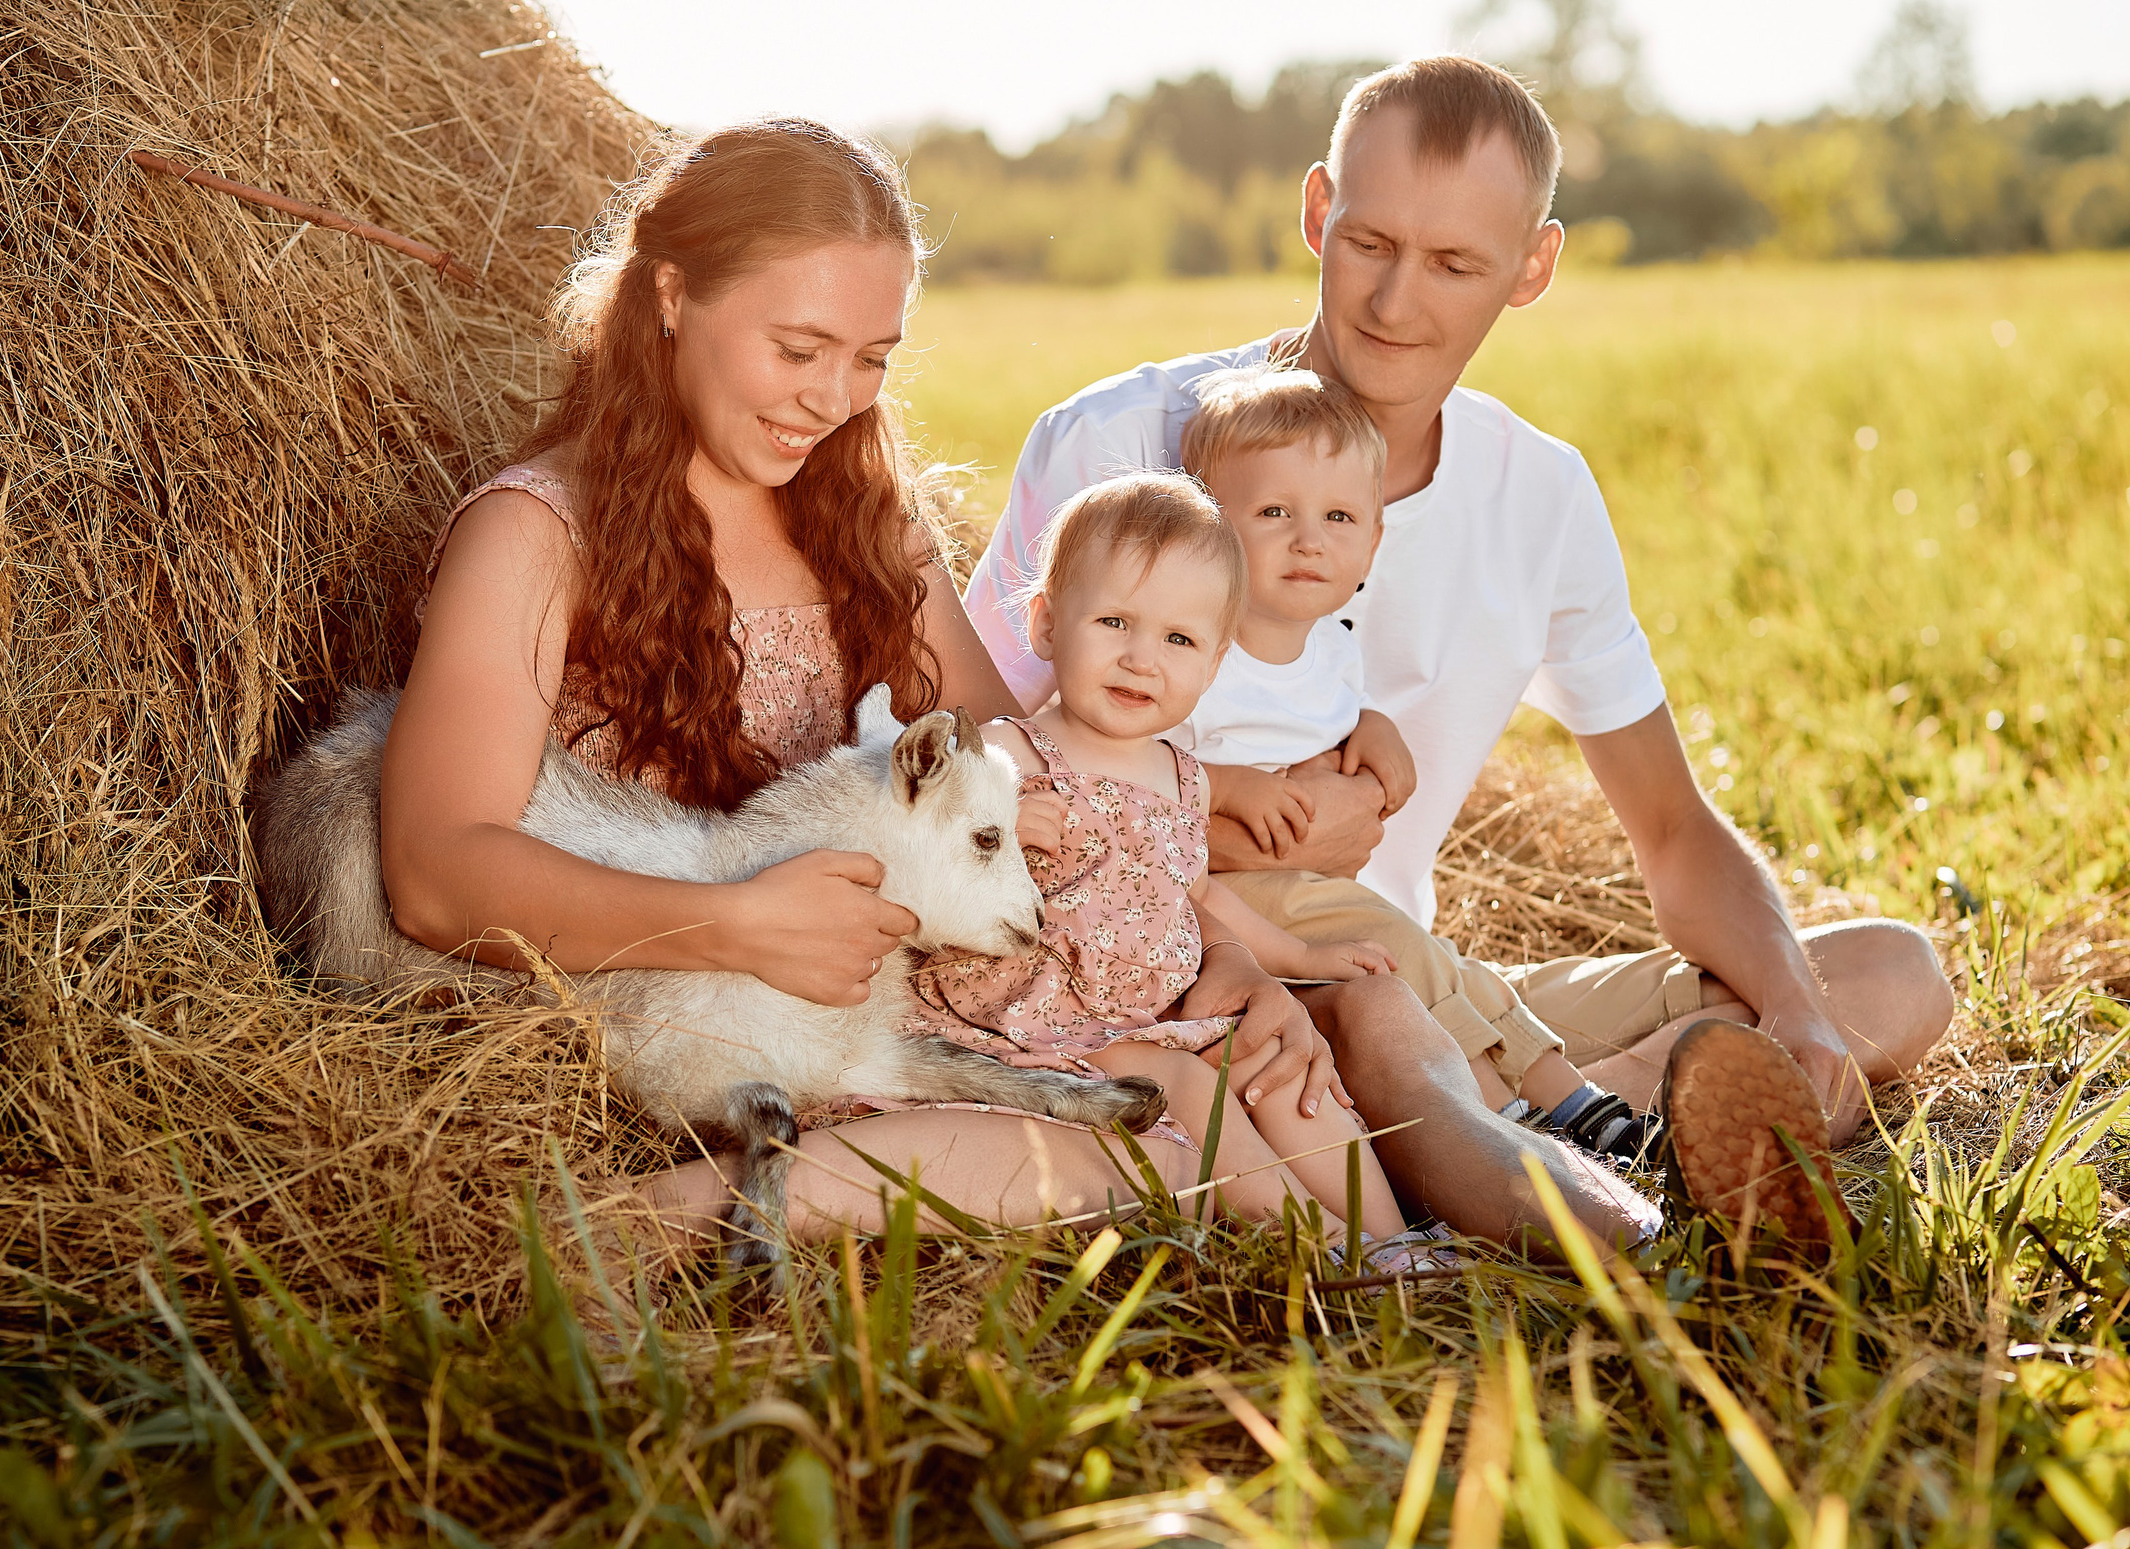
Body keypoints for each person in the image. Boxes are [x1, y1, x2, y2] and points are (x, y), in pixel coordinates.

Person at [374, 117, 1659, 1260]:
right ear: (667, 297)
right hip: (687, 1003)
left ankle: (1493, 1188)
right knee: (1183, 1154)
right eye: (797, 346)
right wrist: (743, 926)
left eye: (871, 358)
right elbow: (435, 867)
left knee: (1224, 1097)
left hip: (914, 988)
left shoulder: (860, 521)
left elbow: (1033, 788)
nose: (831, 400)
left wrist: (1212, 958)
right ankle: (697, 1207)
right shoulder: (538, 534)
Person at [960, 56, 1954, 1166]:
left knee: (1886, 974)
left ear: (1532, 266)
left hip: (1397, 969)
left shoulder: (1539, 494)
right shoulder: (1116, 443)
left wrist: (1802, 1018)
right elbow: (957, 763)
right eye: (1371, 244)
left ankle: (1585, 1116)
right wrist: (1215, 826)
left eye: (1452, 263)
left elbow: (1672, 833)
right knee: (1380, 1035)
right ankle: (1585, 1133)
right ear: (1316, 210)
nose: (1395, 302)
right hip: (1176, 982)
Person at [909, 472, 1410, 1248]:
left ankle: (1399, 1241)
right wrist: (992, 821)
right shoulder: (1008, 752)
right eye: (1115, 622)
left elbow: (1200, 899)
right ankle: (1330, 1244)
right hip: (1037, 1030)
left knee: (1280, 1076)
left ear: (1212, 665)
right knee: (1191, 1085)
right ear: (1046, 626)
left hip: (1154, 1014)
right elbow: (917, 843)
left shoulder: (1182, 778)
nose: (1143, 660)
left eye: (1178, 640)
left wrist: (1303, 955)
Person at [1172, 364, 1657, 1157]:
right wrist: (1224, 785)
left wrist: (1368, 721)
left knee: (1443, 964)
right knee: (1402, 951)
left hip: (1311, 890)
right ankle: (1528, 1120)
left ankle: (1569, 1103)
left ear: (1372, 539)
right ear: (1206, 525)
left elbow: (1311, 711)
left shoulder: (1329, 646)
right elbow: (1124, 771)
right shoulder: (1194, 647)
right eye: (1272, 512)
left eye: (1337, 516)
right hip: (1228, 899)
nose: (1309, 539)